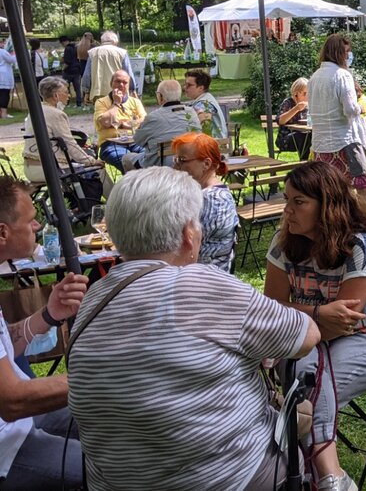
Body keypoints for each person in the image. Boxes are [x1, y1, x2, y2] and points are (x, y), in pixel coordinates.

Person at [67, 168, 320, 490]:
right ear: (189, 233)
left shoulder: (95, 296)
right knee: (302, 414)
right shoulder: (195, 282)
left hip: (117, 482)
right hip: (222, 478)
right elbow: (306, 335)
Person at [265, 162, 366, 491]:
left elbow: (342, 323)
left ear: (327, 205)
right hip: (308, 339)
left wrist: (301, 324)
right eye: (287, 199)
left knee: (302, 391)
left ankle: (308, 470)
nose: (287, 210)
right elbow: (272, 309)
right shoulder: (284, 243)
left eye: (299, 202)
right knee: (306, 384)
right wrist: (316, 312)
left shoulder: (361, 246)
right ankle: (330, 478)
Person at [0, 176, 89, 489]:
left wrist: (49, 315)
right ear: (3, 232)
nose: (37, 226)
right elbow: (11, 401)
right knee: (114, 467)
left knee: (109, 417)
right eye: (31, 220)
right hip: (7, 447)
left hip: (19, 424)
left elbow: (5, 345)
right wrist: (100, 378)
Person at [309, 34, 366, 246]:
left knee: (331, 188)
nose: (349, 56)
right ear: (340, 53)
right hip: (345, 140)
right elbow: (350, 109)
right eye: (347, 52)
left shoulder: (314, 77)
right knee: (363, 186)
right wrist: (360, 108)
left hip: (321, 141)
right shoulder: (342, 75)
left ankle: (337, 229)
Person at [23, 77, 105, 212]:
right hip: (50, 168)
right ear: (56, 96)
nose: (69, 96)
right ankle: (108, 204)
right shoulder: (56, 114)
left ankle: (79, 205)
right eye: (66, 92)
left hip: (30, 167)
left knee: (82, 166)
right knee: (98, 169)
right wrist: (91, 161)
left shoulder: (35, 110)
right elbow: (69, 143)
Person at [171, 132, 238, 273]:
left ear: (206, 164)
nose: (176, 166)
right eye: (176, 159)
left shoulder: (211, 200)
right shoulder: (208, 192)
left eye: (182, 160)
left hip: (205, 280)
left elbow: (183, 245)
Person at [123, 79, 201, 170]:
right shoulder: (191, 112)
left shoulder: (153, 117)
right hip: (189, 161)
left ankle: (138, 184)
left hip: (158, 165)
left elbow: (137, 140)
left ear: (160, 96)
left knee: (126, 158)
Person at [93, 69, 146, 171]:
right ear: (111, 83)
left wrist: (121, 123)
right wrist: (116, 103)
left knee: (151, 157)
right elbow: (105, 122)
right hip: (111, 144)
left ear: (128, 85)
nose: (121, 85)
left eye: (125, 82)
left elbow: (144, 121)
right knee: (128, 163)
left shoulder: (135, 102)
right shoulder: (101, 102)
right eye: (117, 81)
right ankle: (132, 184)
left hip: (135, 142)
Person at [81, 31, 137, 99]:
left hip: (98, 92)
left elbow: (87, 74)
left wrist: (86, 92)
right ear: (115, 41)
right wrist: (133, 90)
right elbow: (128, 73)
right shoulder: (122, 53)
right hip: (119, 91)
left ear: (102, 41)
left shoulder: (92, 53)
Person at [184, 69, 228, 139]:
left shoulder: (204, 104)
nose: (185, 87)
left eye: (189, 85)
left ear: (201, 88)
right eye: (185, 84)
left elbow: (203, 125)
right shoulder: (205, 99)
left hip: (213, 146)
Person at [277, 77, 312, 160]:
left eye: (309, 93)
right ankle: (304, 164)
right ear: (296, 94)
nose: (307, 96)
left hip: (304, 134)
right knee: (303, 137)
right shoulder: (288, 103)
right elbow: (280, 121)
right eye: (304, 93)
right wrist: (296, 108)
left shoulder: (308, 105)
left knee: (311, 136)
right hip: (285, 139)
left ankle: (313, 164)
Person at [59, 36, 83, 108]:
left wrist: (63, 69)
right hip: (76, 70)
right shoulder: (75, 47)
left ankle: (67, 102)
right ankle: (79, 103)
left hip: (68, 71)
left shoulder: (67, 49)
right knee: (77, 88)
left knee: (66, 87)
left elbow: (67, 61)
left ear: (63, 42)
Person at [0, 36, 17, 118]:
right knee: (4, 93)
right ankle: (3, 113)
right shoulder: (2, 52)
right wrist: (13, 53)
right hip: (3, 74)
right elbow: (12, 60)